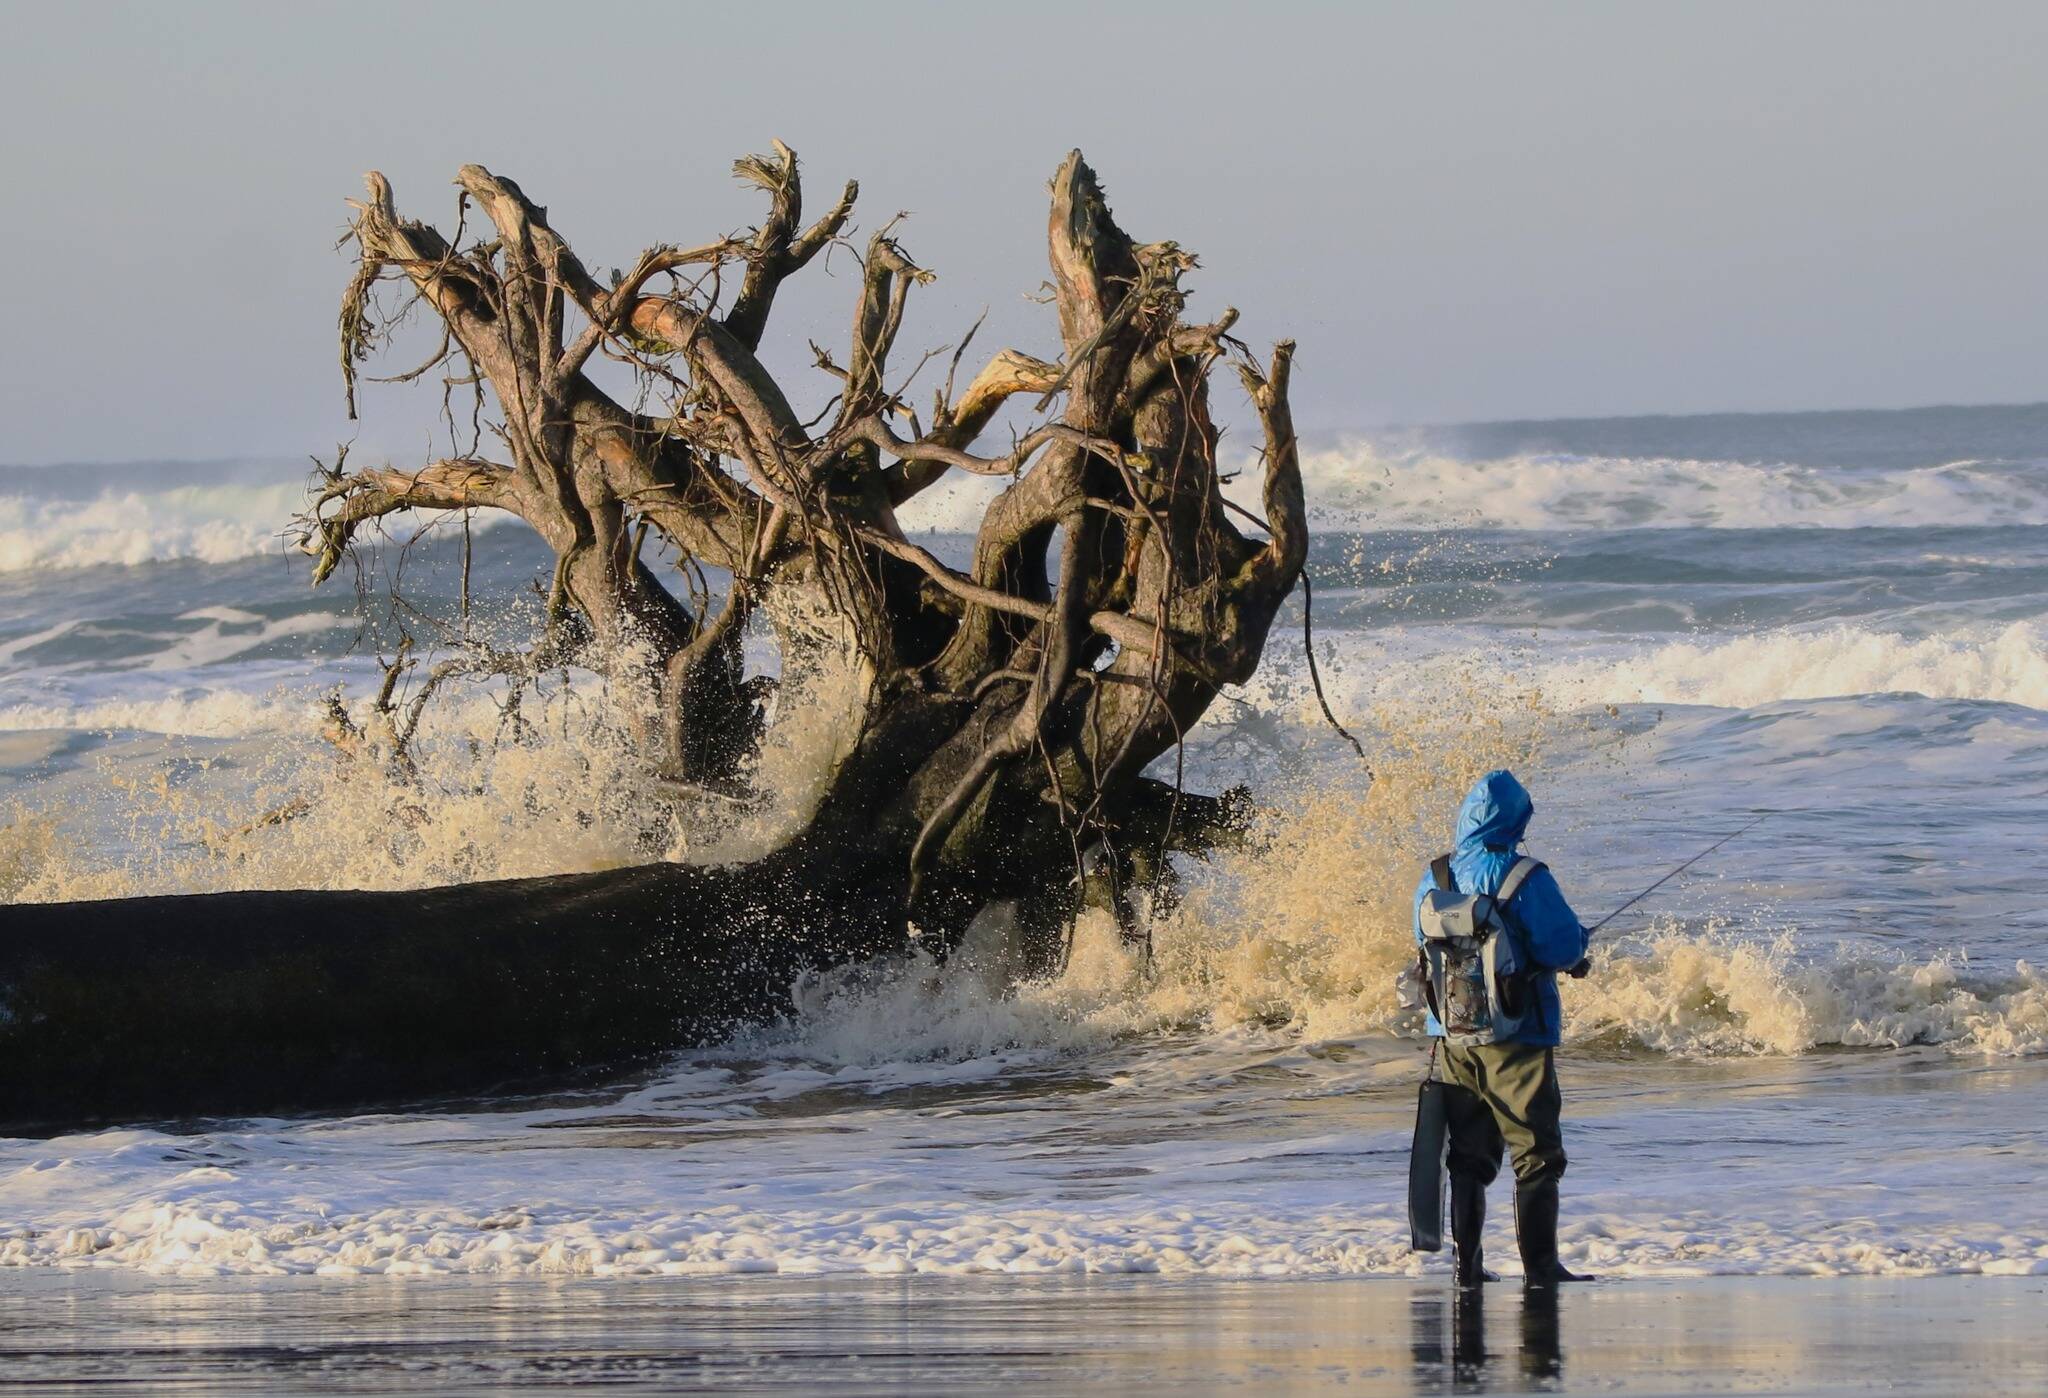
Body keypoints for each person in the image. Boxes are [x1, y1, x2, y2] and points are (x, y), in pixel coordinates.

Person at [1413, 769, 1593, 1288]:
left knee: (1467, 1158)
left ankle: (1466, 1268)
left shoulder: (1435, 876)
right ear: (1517, 820)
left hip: (1452, 1038)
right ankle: (1541, 1270)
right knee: (1536, 1154)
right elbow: (1561, 946)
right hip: (1519, 1035)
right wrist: (1579, 953)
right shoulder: (1523, 875)